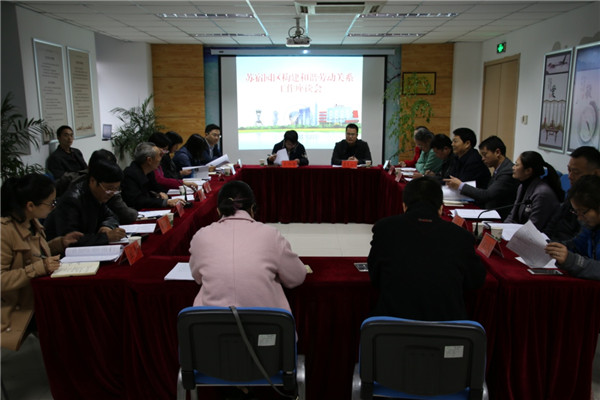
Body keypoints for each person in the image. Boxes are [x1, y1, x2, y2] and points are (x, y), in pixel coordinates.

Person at [367, 177, 486, 321]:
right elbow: (475, 281)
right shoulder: (462, 236)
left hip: (391, 327)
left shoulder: (384, 228)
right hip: (448, 328)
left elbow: (375, 276)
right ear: (441, 208)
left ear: (404, 206)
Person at [189, 181, 306, 312]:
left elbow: (197, 277)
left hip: (210, 322)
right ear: (252, 208)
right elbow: (296, 277)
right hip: (266, 321)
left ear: (218, 210)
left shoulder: (201, 236)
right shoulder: (270, 234)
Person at [1, 174, 82, 350]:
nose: (54, 207)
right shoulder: (4, 231)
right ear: (30, 205)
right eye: (50, 203)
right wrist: (37, 269)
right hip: (19, 305)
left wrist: (60, 243)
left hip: (38, 294)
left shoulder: (31, 221)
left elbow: (36, 254)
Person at [44, 158, 127, 246]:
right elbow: (70, 240)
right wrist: (106, 237)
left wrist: (107, 226)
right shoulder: (71, 201)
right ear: (93, 181)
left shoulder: (97, 195)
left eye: (116, 189)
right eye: (109, 188)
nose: (112, 193)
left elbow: (111, 216)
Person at [444, 135, 519, 218]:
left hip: (500, 217)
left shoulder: (507, 171)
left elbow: (487, 195)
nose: (482, 159)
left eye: (485, 154)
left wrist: (461, 185)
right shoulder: (500, 168)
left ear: (497, 152)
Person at [546, 175, 600, 280]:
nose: (579, 218)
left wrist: (572, 261)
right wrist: (551, 246)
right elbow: (576, 246)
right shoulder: (591, 227)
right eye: (576, 212)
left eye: (583, 212)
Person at [68, 149, 139, 224]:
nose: (112, 192)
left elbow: (109, 216)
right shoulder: (76, 195)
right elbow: (126, 215)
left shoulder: (104, 189)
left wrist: (107, 225)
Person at [544, 146, 600, 241]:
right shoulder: (574, 193)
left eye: (576, 172)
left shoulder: (593, 203)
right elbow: (553, 223)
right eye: (569, 170)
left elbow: (579, 241)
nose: (570, 176)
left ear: (596, 173)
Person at [504, 151, 563, 231]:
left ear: (528, 171)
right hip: (520, 231)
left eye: (517, 165)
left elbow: (533, 227)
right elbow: (512, 215)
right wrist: (502, 229)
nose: (513, 167)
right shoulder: (522, 186)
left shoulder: (541, 194)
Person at [122, 142, 185, 210]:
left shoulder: (149, 171)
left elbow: (157, 187)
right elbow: (138, 201)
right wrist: (165, 202)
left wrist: (161, 193)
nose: (161, 159)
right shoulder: (130, 174)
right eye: (159, 156)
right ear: (149, 160)